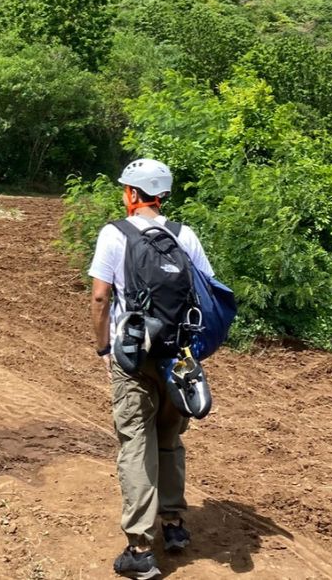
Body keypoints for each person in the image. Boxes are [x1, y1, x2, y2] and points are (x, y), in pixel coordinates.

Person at [89, 158, 215, 580]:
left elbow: (100, 298)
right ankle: (175, 526)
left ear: (131, 193)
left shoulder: (115, 234)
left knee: (135, 444)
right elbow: (209, 294)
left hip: (134, 358)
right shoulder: (185, 235)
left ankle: (140, 549)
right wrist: (193, 352)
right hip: (177, 358)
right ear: (161, 195)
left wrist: (104, 346)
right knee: (170, 441)